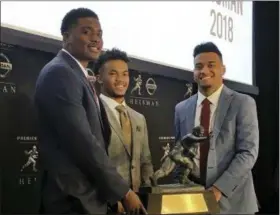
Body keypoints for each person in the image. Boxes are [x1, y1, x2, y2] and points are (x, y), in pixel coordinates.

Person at [34, 8, 146, 214]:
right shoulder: (61, 73)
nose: (96, 39)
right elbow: (82, 142)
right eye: (87, 32)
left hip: (88, 198)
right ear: (66, 37)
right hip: (72, 200)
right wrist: (124, 193)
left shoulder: (77, 74)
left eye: (99, 33)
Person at [173, 42, 259, 213]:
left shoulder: (243, 103)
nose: (204, 70)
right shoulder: (181, 108)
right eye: (199, 66)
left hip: (234, 203)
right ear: (194, 73)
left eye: (211, 65)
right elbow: (180, 152)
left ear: (223, 69)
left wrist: (218, 189)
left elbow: (248, 152)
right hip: (193, 202)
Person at [94, 48, 154, 213]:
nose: (120, 79)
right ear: (99, 77)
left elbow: (145, 162)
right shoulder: (93, 112)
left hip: (137, 206)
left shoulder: (139, 118)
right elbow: (94, 163)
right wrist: (113, 200)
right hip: (105, 205)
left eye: (125, 74)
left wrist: (148, 198)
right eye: (113, 73)